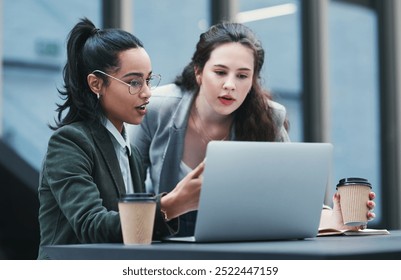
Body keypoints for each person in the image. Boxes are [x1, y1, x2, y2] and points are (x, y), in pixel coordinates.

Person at [129, 22, 375, 237]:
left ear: (253, 80)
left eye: (242, 76)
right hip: (165, 237)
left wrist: (337, 220)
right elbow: (128, 193)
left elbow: (289, 200)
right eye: (220, 72)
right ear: (199, 72)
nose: (230, 85)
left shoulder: (269, 117)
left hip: (239, 242)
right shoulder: (157, 108)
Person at [37, 18, 177, 260]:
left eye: (148, 80)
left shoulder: (129, 150)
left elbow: (133, 233)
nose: (146, 92)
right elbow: (91, 226)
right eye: (134, 82)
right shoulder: (69, 142)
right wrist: (170, 205)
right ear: (96, 83)